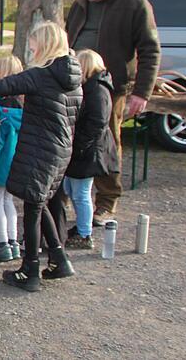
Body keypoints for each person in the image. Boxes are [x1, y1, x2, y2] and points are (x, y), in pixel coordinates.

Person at [0, 22, 83, 292]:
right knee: (40, 202)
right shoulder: (73, 78)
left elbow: (3, 85)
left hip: (40, 148)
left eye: (34, 44)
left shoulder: (41, 75)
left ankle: (30, 270)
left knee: (32, 210)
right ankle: (58, 259)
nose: (31, 48)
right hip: (61, 149)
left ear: (45, 44)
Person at [65, 0, 161, 224]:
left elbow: (150, 51)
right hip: (75, 84)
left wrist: (142, 92)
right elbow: (67, 38)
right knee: (67, 137)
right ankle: (61, 196)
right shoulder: (81, 4)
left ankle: (107, 201)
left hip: (110, 86)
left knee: (106, 142)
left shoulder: (134, 5)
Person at [60, 49, 119, 249]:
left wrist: (79, 146)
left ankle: (85, 234)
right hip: (85, 149)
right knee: (72, 188)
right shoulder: (95, 88)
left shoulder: (97, 90)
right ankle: (82, 228)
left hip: (89, 152)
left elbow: (96, 123)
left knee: (80, 192)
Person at [0, 55, 25, 263]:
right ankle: (13, 241)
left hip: (0, 162)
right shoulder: (22, 107)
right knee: (9, 201)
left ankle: (1, 243)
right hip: (16, 162)